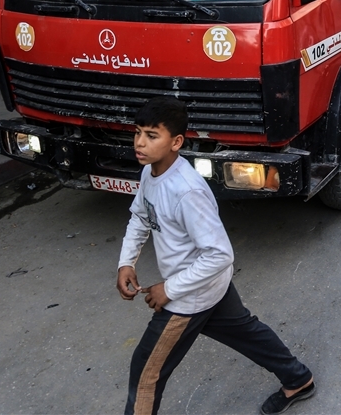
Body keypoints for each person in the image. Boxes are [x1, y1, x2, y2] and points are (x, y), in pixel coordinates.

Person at [117, 97, 315, 415]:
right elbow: (141, 216)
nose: (140, 142)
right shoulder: (150, 174)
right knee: (247, 333)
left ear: (176, 142)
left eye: (152, 135)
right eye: (138, 132)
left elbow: (220, 254)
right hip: (211, 287)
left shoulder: (186, 191)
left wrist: (169, 289)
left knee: (145, 376)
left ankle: (297, 377)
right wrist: (126, 262)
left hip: (188, 298)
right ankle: (298, 378)